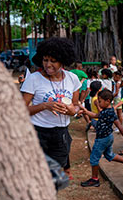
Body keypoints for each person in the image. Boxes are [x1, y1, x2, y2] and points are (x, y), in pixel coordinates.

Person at [21, 37, 82, 177]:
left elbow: (76, 105)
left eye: (53, 61)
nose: (48, 65)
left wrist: (73, 111)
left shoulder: (72, 79)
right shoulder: (34, 79)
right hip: (38, 134)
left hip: (61, 135)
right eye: (45, 60)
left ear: (63, 61)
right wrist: (44, 106)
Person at [79, 89, 123, 187]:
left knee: (94, 158)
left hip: (102, 139)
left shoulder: (108, 112)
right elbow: (96, 115)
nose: (98, 102)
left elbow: (119, 125)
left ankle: (94, 179)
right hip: (108, 137)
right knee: (109, 155)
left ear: (107, 101)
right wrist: (85, 111)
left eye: (100, 101)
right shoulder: (107, 111)